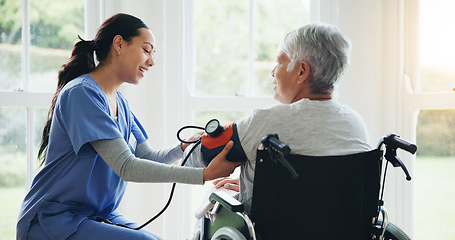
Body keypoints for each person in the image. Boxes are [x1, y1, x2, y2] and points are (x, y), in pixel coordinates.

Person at [16, 13, 241, 240]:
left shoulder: (120, 102)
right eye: (146, 50)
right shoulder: (82, 93)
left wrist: (182, 147)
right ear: (119, 44)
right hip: (54, 219)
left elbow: (147, 156)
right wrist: (204, 175)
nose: (151, 62)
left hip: (96, 215)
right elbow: (126, 166)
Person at [184, 22, 372, 220]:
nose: (272, 72)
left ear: (301, 71)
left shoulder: (263, 124)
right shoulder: (355, 124)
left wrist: (189, 145)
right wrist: (260, 187)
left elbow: (195, 159)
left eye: (279, 62)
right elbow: (321, 189)